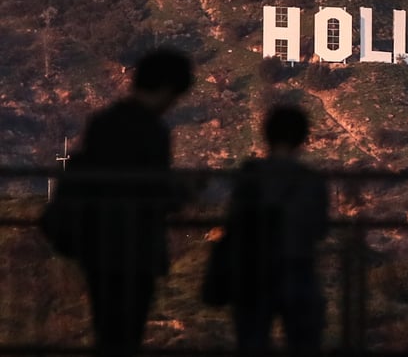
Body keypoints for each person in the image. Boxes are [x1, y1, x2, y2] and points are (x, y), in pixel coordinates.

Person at [73, 47, 194, 357]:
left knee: (106, 328)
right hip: (136, 246)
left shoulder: (103, 122)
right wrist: (186, 192)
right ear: (167, 89)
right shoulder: (154, 131)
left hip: (99, 243)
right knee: (129, 332)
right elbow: (155, 192)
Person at [218, 105, 329, 355]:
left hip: (253, 272)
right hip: (298, 269)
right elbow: (320, 230)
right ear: (303, 138)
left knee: (251, 342)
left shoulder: (250, 175)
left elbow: (234, 220)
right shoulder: (312, 181)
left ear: (266, 134)